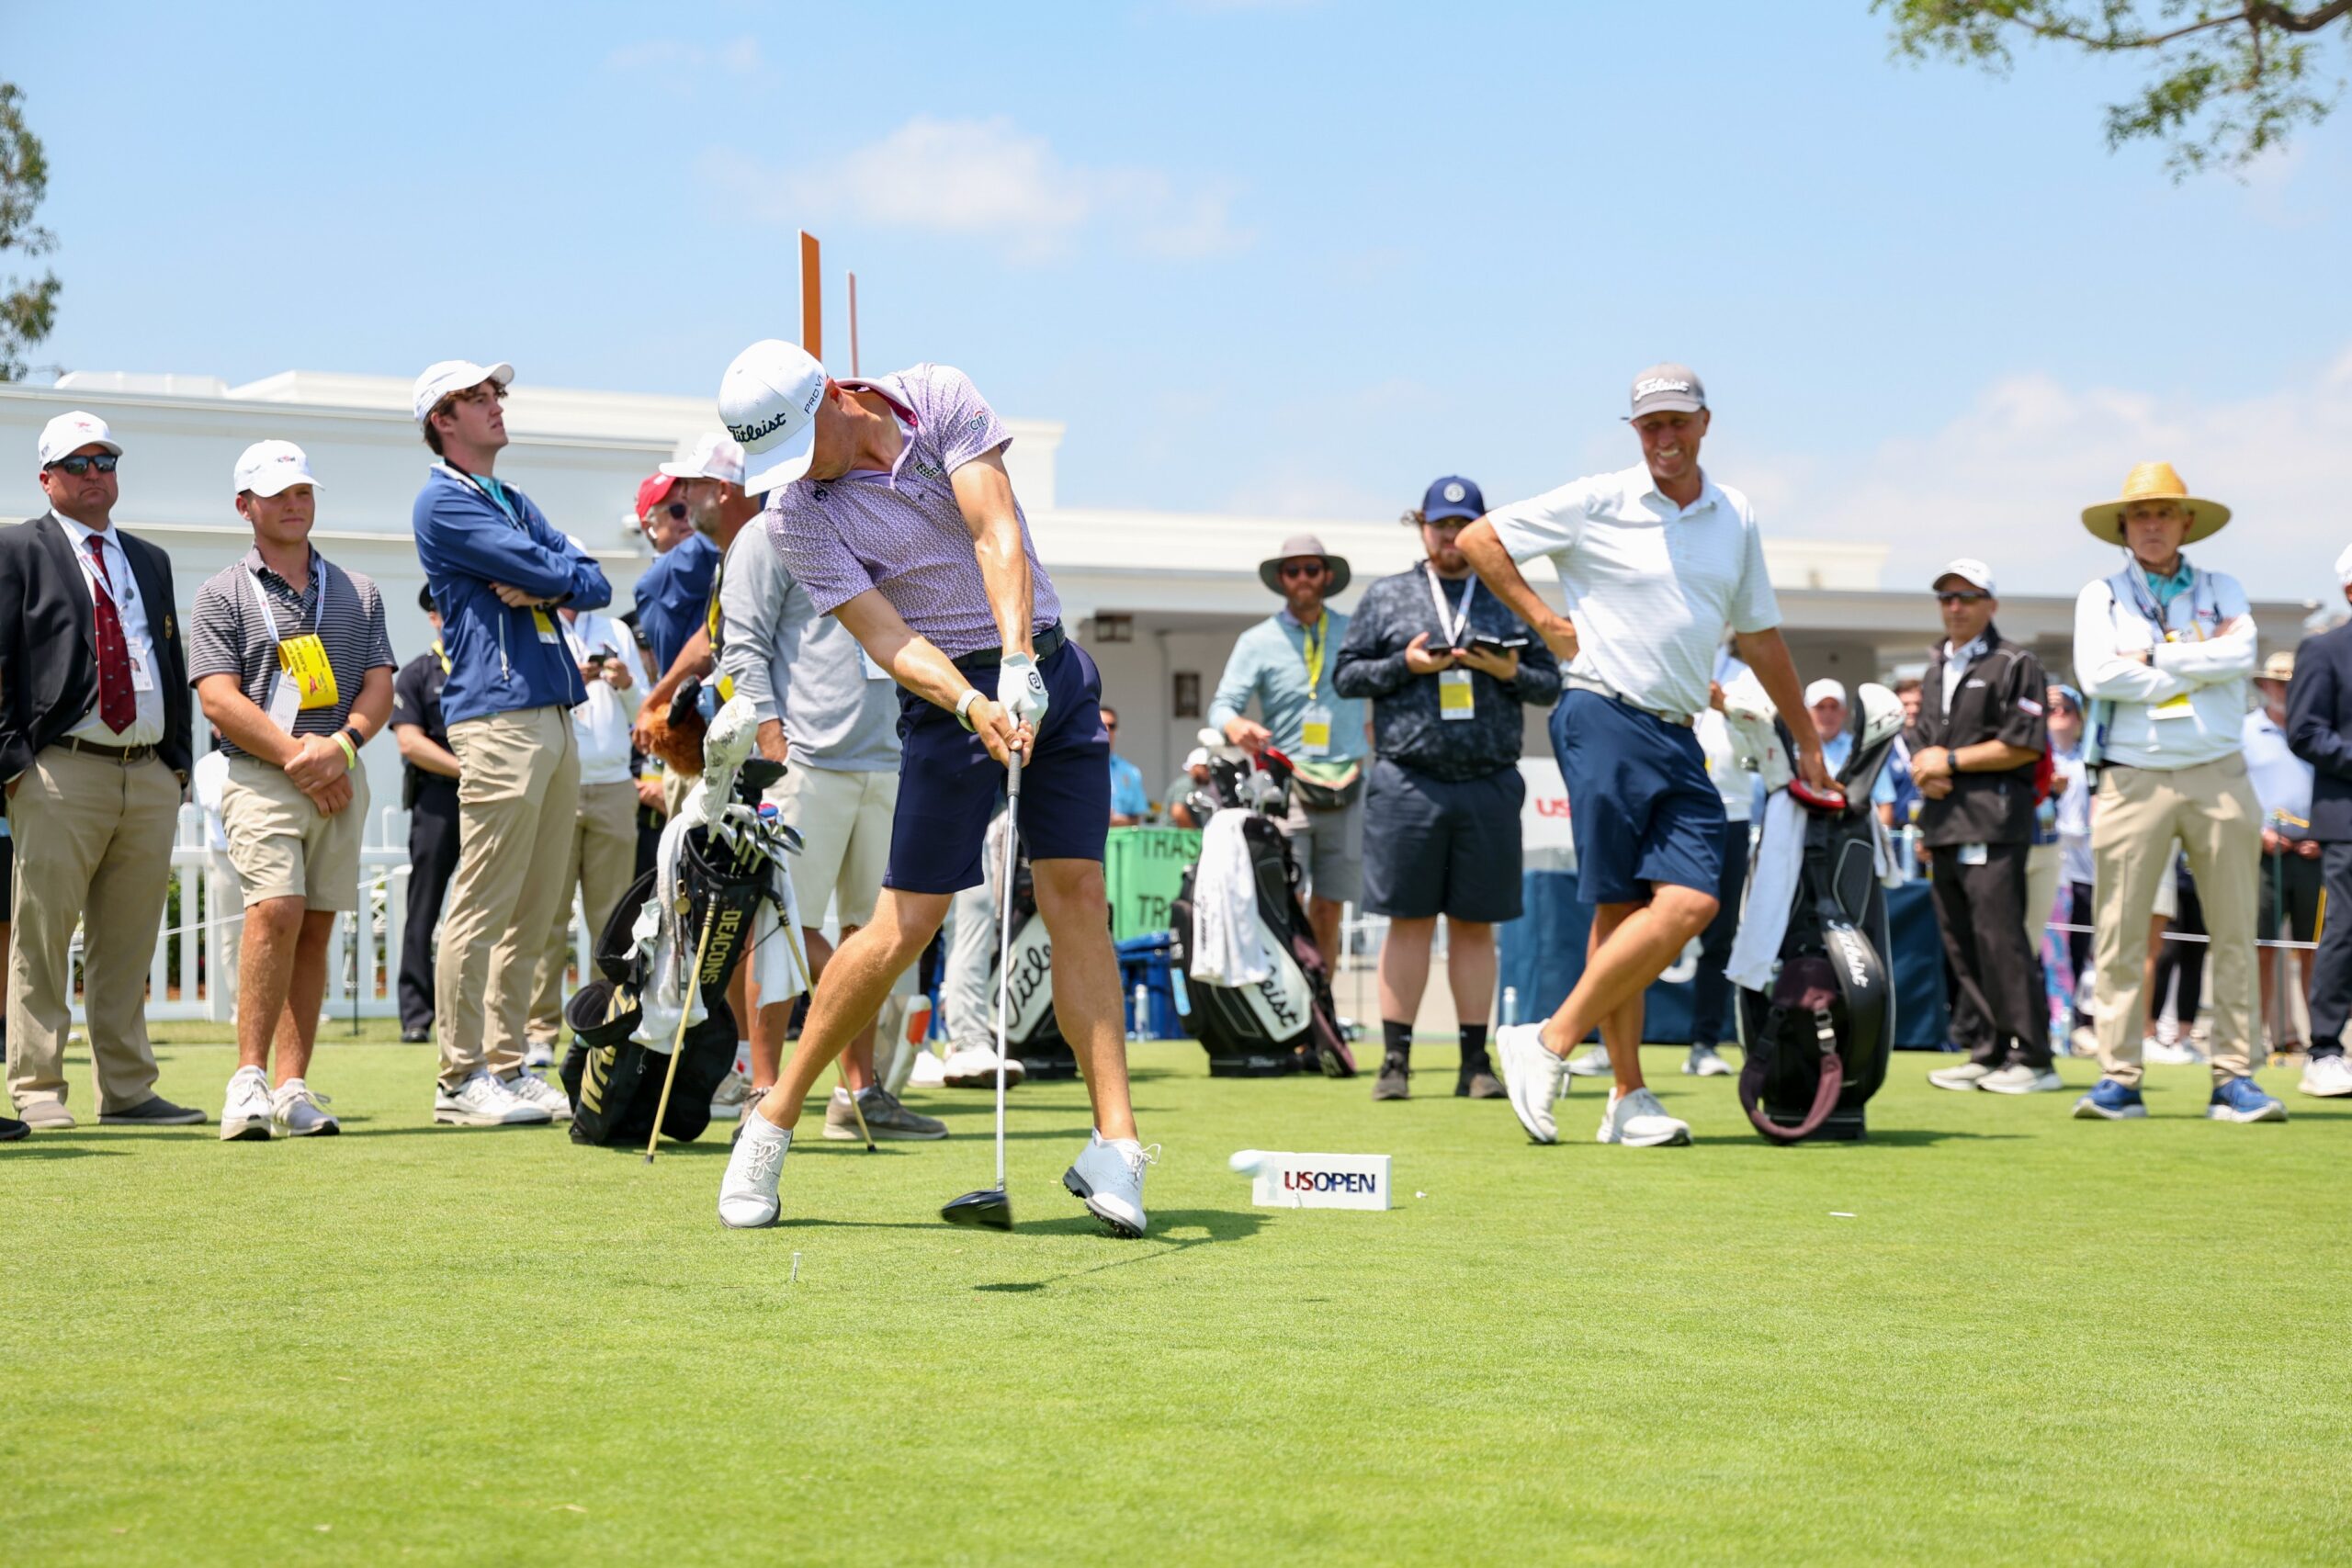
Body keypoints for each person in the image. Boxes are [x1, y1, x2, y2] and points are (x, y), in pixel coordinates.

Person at [714, 340, 1150, 1235]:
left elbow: (996, 530)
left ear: (836, 394)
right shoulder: (796, 514)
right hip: (946, 697)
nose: (796, 474)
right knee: (903, 926)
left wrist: (1021, 661)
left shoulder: (939, 395)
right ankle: (773, 1118)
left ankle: (1118, 1145)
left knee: (1078, 896)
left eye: (803, 445)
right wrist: (968, 699)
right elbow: (885, 638)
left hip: (1049, 672)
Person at [1459, 363, 1831, 1148]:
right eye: (1650, 424)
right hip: (1601, 713)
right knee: (1621, 907)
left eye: (1677, 421)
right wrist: (1545, 621)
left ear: (1704, 424)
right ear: (1636, 432)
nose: (1665, 436)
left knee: (1690, 903)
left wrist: (1805, 736)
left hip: (1679, 730)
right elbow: (1478, 540)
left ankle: (1551, 1038)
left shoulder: (1737, 515)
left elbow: (1759, 634)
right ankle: (1626, 1093)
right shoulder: (1598, 497)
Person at [717, 457, 944, 1141]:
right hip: (806, 761)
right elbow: (743, 644)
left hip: (889, 755)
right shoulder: (766, 531)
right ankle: (764, 1088)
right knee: (778, 928)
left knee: (868, 933)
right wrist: (772, 738)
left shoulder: (880, 517)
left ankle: (859, 1094)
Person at [412, 358, 612, 1128]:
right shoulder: (444, 503)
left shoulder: (507, 498)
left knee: (535, 905)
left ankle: (507, 1062)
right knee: (485, 898)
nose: (495, 405)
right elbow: (547, 567)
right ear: (442, 421)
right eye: (477, 398)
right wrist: (557, 578)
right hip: (499, 717)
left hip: (550, 712)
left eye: (496, 394)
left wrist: (555, 582)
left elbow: (591, 579)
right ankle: (460, 1078)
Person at [0, 412, 202, 1129]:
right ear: (46, 477)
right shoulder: (17, 547)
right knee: (44, 935)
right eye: (78, 463)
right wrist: (14, 762)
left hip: (147, 770)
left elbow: (171, 663)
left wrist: (178, 763)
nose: (95, 474)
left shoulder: (150, 558)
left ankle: (126, 1090)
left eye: (105, 460)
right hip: (61, 769)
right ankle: (38, 1089)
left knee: (129, 939)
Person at [190, 441, 396, 1140]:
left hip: (339, 769)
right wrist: (297, 757)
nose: (293, 503)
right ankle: (247, 1078)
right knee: (274, 909)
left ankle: (291, 1084)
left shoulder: (358, 589)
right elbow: (217, 698)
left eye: (302, 490)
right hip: (262, 773)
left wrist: (340, 747)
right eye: (276, 492)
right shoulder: (222, 591)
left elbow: (378, 684)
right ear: (244, 505)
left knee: (316, 923)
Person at [1332, 475, 1561, 1101]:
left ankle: (1473, 1061)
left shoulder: (1507, 594)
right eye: (1440, 525)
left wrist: (1507, 669)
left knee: (1473, 925)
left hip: (1488, 781)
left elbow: (1551, 682)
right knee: (1406, 921)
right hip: (1408, 779)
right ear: (1422, 526)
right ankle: (1396, 1062)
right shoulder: (1388, 596)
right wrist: (1403, 665)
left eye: (1463, 525)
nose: (1451, 538)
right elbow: (1347, 676)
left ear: (1483, 527)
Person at [2069, 462, 2279, 1122]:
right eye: (2140, 515)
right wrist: (2194, 660)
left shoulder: (2225, 587)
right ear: (2123, 528)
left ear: (2187, 522)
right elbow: (2097, 675)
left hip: (2219, 771)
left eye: (2164, 513)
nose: (2152, 525)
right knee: (2121, 932)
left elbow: (2240, 659)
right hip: (2132, 773)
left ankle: (2235, 1077)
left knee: (2235, 929)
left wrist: (2152, 659)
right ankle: (2119, 1077)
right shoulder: (2100, 594)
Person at [1905, 558, 2057, 1096]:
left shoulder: (2016, 662)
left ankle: (2034, 1056)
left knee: (2000, 938)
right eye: (1946, 597)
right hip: (1945, 823)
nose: (1955, 607)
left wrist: (1949, 763)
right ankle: (1987, 1050)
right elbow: (1923, 742)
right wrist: (1928, 769)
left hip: (1993, 822)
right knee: (1961, 942)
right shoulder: (1934, 667)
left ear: (1990, 604)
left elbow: (2023, 741)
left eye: (1967, 597)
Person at [1209, 533, 1367, 969]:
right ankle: (1293, 1017)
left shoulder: (1354, 631)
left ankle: (1324, 1018)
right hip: (1289, 788)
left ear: (1327, 576)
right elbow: (1221, 706)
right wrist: (1235, 723)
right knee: (1287, 902)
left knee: (1330, 909)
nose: (1303, 578)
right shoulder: (1257, 640)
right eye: (1293, 570)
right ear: (1281, 579)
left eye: (1311, 569)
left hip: (1348, 785)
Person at [523, 580, 648, 1069]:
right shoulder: (532, 626)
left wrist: (625, 684)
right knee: (548, 915)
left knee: (613, 921)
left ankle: (611, 1024)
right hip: (557, 781)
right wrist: (568, 680)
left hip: (615, 784)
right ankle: (539, 1031)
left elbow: (644, 713)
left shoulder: (614, 628)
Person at [2285, 550, 2352, 1097]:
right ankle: (2325, 1051)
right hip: (2347, 819)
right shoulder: (2324, 650)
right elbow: (2304, 731)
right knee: (2345, 934)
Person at [1684, 638, 1758, 1078]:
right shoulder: (1665, 652)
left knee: (1719, 936)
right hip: (1667, 809)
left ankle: (1704, 1042)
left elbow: (1766, 734)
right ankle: (1610, 1043)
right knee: (1636, 923)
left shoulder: (1747, 677)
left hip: (1730, 812)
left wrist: (1726, 705)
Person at [2244, 650, 2320, 1066]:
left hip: (2314, 853)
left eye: (2293, 684)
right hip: (2264, 852)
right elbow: (2232, 790)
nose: (2286, 691)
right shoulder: (2245, 731)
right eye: (2280, 683)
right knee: (2263, 947)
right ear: (2266, 686)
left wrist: (2323, 835)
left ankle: (2319, 1040)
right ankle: (2263, 1035)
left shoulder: (2319, 729)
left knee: (2315, 949)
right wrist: (2258, 832)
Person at [391, 586, 460, 1043]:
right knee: (424, 905)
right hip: (438, 798)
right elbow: (409, 742)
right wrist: (467, 769)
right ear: (433, 617)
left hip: (487, 798)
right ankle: (416, 1014)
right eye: (443, 610)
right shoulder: (417, 672)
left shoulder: (484, 668)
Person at [1103, 705, 1148, 827]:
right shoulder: (1079, 768)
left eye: (1111, 726)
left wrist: (1118, 821)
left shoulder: (1130, 772)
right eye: (1101, 724)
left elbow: (1137, 818)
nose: (1106, 730)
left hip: (1121, 842)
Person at [1165, 747, 1214, 829]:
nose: (1209, 772)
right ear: (1195, 766)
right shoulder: (1187, 784)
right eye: (1206, 767)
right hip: (1178, 840)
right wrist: (1193, 836)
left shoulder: (1191, 785)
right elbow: (1178, 811)